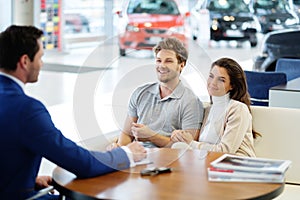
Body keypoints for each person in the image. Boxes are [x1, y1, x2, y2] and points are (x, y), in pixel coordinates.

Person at [0, 25, 147, 200]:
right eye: (40, 57)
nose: (42, 64)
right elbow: (83, 164)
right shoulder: (26, 110)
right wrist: (127, 153)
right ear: (25, 61)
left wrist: (28, 180)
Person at [111, 37, 204, 148]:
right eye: (159, 60)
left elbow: (188, 148)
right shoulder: (140, 93)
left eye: (168, 61)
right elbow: (126, 134)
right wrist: (120, 152)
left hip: (166, 161)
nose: (162, 65)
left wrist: (151, 136)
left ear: (182, 65)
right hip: (135, 157)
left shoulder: (191, 102)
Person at [171, 57, 257, 157]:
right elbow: (199, 143)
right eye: (211, 76)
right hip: (209, 162)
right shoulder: (208, 110)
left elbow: (226, 150)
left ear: (232, 86)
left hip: (237, 163)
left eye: (221, 80)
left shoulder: (238, 109)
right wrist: (180, 135)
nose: (213, 83)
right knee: (177, 147)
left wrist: (191, 143)